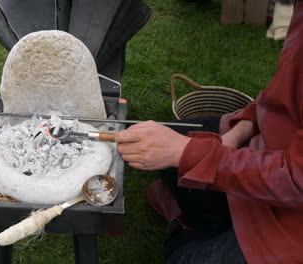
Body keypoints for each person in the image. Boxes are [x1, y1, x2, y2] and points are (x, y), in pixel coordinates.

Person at [115, 1, 303, 263]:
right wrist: (238, 132)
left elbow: (295, 182)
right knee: (167, 146)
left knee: (182, 257)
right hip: (267, 150)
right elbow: (281, 93)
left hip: (292, 219)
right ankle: (214, 220)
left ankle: (194, 227)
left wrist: (187, 153)